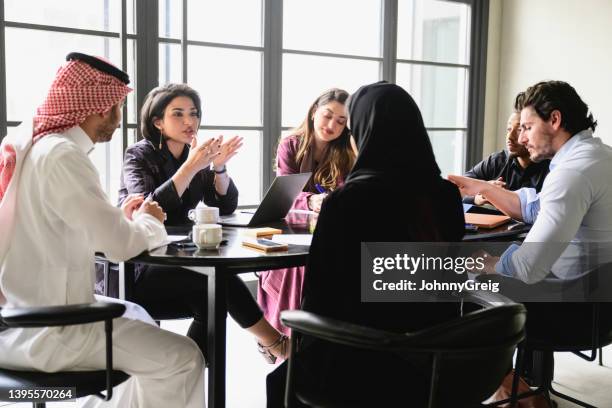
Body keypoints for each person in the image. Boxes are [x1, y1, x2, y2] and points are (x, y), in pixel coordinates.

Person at [0, 53, 205, 407]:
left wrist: (117, 218)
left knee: (137, 318)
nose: (118, 118)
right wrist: (150, 220)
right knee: (184, 358)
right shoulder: (63, 155)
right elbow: (121, 247)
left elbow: (62, 228)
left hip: (17, 320)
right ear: (99, 106)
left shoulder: (32, 147)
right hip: (53, 331)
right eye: (116, 106)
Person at [266, 82, 465, 407]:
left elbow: (321, 300)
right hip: (433, 358)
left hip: (360, 364)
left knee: (281, 379)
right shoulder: (446, 196)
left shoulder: (347, 202)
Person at [118, 83, 288, 362]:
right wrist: (193, 166)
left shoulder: (191, 154)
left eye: (194, 113)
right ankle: (275, 342)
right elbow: (147, 206)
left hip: (178, 259)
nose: (189, 121)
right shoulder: (138, 154)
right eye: (178, 114)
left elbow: (225, 205)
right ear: (158, 122)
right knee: (218, 283)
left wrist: (218, 167)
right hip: (140, 266)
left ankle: (185, 374)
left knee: (213, 299)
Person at [449, 80, 612, 283]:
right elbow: (536, 208)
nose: (522, 139)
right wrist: (485, 188)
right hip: (596, 288)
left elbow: (527, 267)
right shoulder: (600, 155)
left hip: (569, 294)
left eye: (527, 127)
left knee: (464, 275)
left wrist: (487, 263)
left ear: (554, 119)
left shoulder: (571, 174)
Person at [258, 88, 356, 335]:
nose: (332, 124)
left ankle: (322, 333)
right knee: (300, 263)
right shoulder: (291, 145)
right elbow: (285, 192)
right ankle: (287, 333)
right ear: (314, 111)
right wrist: (312, 201)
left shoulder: (346, 152)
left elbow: (348, 193)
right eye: (327, 115)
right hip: (291, 227)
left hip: (327, 228)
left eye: (341, 121)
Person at [464, 109, 550, 205]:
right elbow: (460, 188)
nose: (509, 137)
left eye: (519, 130)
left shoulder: (551, 168)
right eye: (509, 129)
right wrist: (479, 195)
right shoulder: (497, 161)